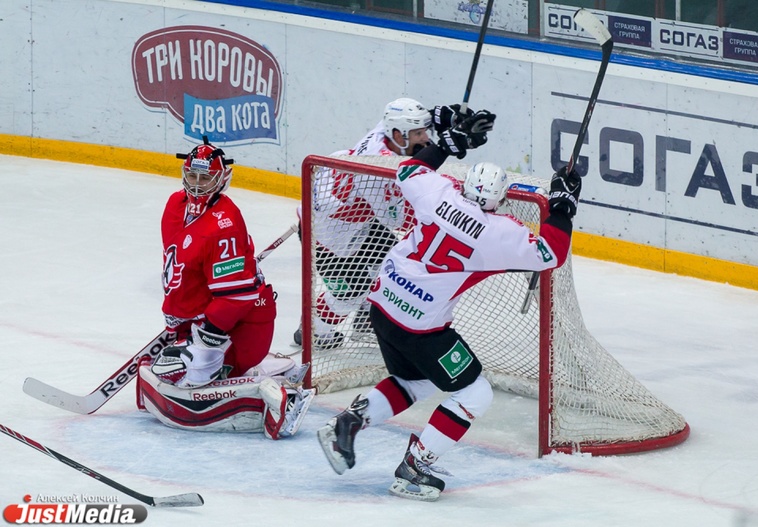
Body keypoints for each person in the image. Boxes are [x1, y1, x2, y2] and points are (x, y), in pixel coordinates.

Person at [316, 107, 582, 500]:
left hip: (382, 308)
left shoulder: (438, 193)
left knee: (417, 381)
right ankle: (415, 466)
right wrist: (562, 205)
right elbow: (550, 253)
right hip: (420, 329)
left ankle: (348, 423)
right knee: (476, 393)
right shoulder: (498, 233)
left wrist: (449, 144)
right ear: (499, 200)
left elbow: (410, 170)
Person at [138, 136, 314, 440]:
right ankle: (263, 368)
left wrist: (206, 338)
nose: (197, 184)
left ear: (222, 179)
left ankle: (273, 393)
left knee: (184, 373)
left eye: (205, 177)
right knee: (168, 366)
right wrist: (182, 319)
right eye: (192, 175)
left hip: (240, 326)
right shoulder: (175, 205)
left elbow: (238, 296)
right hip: (203, 319)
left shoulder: (225, 224)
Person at [295, 97, 469, 350]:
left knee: (391, 267)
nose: (425, 138)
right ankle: (313, 330)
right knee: (349, 295)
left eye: (424, 131)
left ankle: (365, 321)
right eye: (419, 133)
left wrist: (443, 118)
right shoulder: (379, 173)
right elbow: (399, 220)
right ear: (399, 136)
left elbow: (405, 127)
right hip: (329, 237)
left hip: (353, 221)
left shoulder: (385, 132)